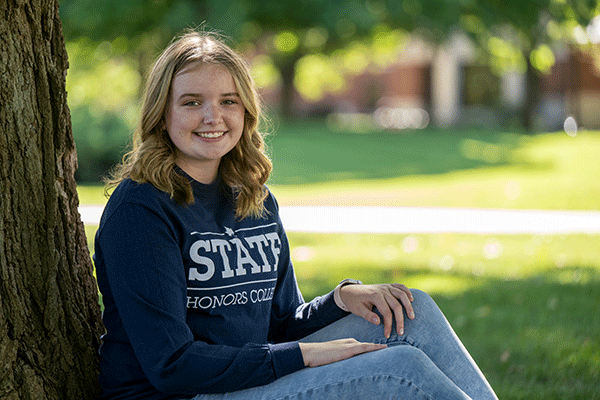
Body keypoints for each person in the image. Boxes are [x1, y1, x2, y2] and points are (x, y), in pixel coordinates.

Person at [94, 30, 499, 400]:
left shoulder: (253, 197)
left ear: (246, 111)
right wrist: (303, 356)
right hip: (182, 395)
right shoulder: (141, 210)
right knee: (400, 371)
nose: (212, 117)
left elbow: (282, 322)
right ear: (162, 115)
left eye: (228, 101)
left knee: (412, 312)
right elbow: (172, 366)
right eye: (191, 102)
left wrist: (340, 300)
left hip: (251, 378)